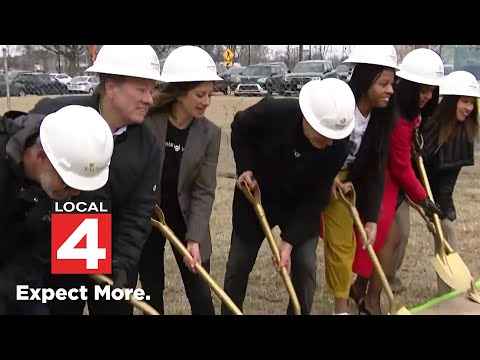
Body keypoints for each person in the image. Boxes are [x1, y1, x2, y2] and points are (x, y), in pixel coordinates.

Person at [29, 45, 162, 315]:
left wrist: (122, 265)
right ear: (111, 86)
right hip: (57, 256)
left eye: (153, 89)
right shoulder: (56, 117)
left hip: (114, 259)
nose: (150, 99)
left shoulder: (148, 145)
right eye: (141, 89)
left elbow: (138, 214)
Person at [221, 78, 356, 315]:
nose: (329, 142)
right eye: (324, 134)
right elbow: (240, 128)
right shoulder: (273, 112)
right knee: (238, 265)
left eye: (334, 136)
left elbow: (316, 197)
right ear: (307, 118)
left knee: (305, 266)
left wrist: (289, 241)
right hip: (257, 196)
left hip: (300, 205)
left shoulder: (338, 144)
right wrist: (245, 167)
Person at [350, 48, 444, 315]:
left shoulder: (410, 113)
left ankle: (363, 290)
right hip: (382, 183)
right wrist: (424, 198)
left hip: (392, 184)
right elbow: (400, 167)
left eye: (432, 91)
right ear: (411, 86)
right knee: (389, 237)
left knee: (391, 238)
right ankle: (370, 298)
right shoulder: (397, 117)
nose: (428, 96)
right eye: (423, 90)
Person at [0, 105, 114, 315]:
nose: (76, 192)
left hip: (25, 271)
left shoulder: (69, 159)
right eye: (68, 182)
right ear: (41, 157)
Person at [139, 46, 222, 315]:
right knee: (151, 288)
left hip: (184, 218)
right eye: (200, 94)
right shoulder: (147, 121)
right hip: (148, 216)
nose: (207, 101)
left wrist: (195, 238)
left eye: (210, 94)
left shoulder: (210, 134)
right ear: (179, 92)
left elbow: (203, 191)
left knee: (199, 293)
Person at [319, 45, 399, 315]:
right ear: (365, 81)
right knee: (341, 243)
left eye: (392, 84)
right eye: (384, 83)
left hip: (350, 179)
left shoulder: (382, 116)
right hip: (321, 173)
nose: (390, 90)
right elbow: (315, 148)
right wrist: (328, 177)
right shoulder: (339, 104)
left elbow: (375, 167)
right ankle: (341, 310)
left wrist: (372, 218)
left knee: (354, 241)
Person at [390, 70, 480, 295]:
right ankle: (387, 278)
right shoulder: (432, 126)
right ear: (451, 102)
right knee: (400, 234)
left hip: (434, 193)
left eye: (471, 102)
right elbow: (412, 166)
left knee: (447, 230)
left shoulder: (466, 131)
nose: (468, 107)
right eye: (464, 101)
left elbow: (450, 176)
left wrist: (443, 207)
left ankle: (449, 291)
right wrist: (422, 200)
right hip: (409, 185)